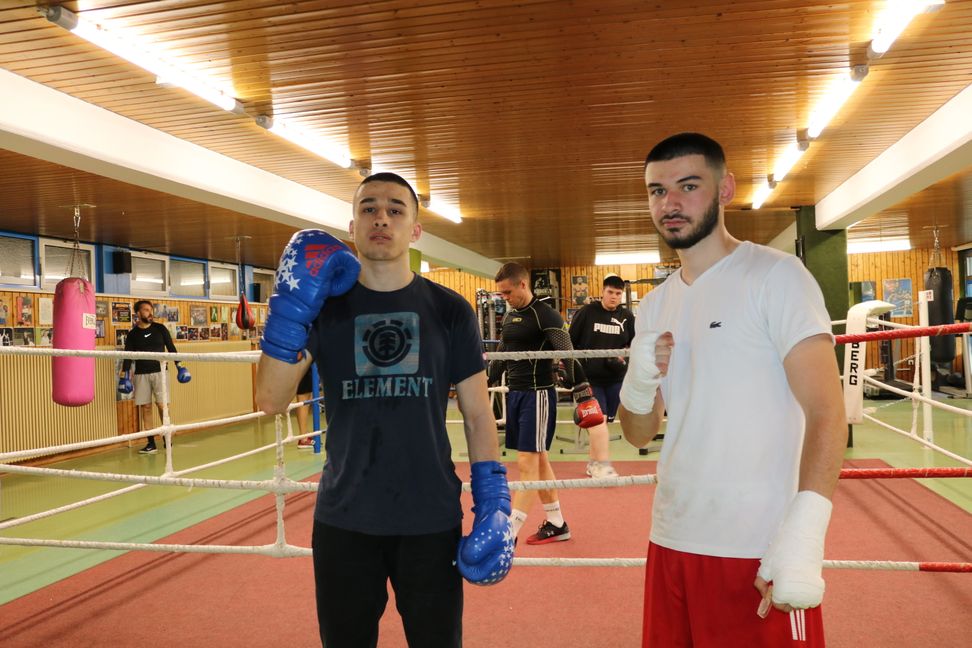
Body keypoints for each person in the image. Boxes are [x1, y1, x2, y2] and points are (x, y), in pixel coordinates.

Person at [255, 172, 514, 648]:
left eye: (396, 209)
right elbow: (270, 399)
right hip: (345, 518)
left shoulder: (450, 309)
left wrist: (493, 501)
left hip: (430, 516)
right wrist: (291, 311)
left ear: (415, 230)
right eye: (368, 208)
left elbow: (478, 415)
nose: (381, 217)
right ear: (352, 225)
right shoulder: (325, 310)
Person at [618, 132, 847, 647]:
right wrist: (638, 383)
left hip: (756, 545)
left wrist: (802, 538)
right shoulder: (654, 306)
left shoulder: (776, 276)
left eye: (688, 185)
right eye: (656, 191)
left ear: (725, 190)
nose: (669, 203)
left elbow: (827, 412)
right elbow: (637, 435)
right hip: (672, 537)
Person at [490, 262, 604, 544]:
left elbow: (568, 353)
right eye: (501, 295)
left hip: (537, 395)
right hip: (515, 394)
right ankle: (556, 522)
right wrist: (486, 380)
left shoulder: (546, 315)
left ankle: (509, 533)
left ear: (522, 285)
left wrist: (583, 392)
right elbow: (504, 351)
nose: (504, 298)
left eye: (507, 293)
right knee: (540, 462)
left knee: (527, 462)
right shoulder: (510, 316)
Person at [568, 274, 635, 478]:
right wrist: (572, 370)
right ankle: (603, 465)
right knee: (598, 421)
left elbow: (634, 343)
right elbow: (570, 341)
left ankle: (593, 464)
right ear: (603, 292)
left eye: (618, 293)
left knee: (603, 424)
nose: (614, 297)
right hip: (590, 379)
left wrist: (624, 359)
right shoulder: (587, 312)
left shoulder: (627, 317)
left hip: (615, 378)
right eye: (610, 292)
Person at [118, 300, 192, 454]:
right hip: (141, 373)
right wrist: (125, 376)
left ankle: (167, 438)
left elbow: (171, 348)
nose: (149, 312)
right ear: (137, 313)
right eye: (145, 310)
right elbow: (128, 356)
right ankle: (150, 443)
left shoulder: (160, 328)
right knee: (145, 408)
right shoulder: (132, 334)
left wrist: (180, 366)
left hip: (160, 372)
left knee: (161, 405)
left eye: (150, 310)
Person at [294, 364, 316, 449]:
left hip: (304, 361)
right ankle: (303, 438)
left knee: (306, 395)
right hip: (301, 360)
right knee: (303, 395)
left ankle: (304, 434)